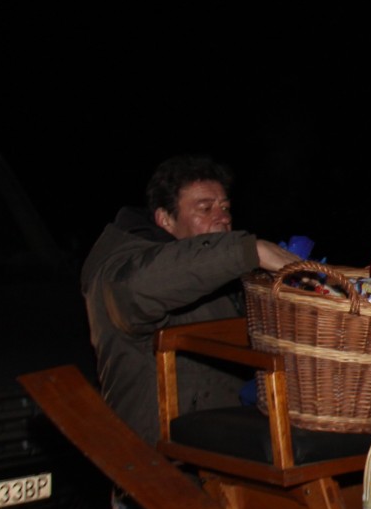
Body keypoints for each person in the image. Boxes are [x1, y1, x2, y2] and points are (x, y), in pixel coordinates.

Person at [82, 155, 296, 448]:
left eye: (225, 207)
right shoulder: (121, 268)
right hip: (154, 459)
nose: (222, 217)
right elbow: (136, 289)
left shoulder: (223, 274)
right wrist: (248, 251)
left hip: (220, 449)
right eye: (205, 208)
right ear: (165, 220)